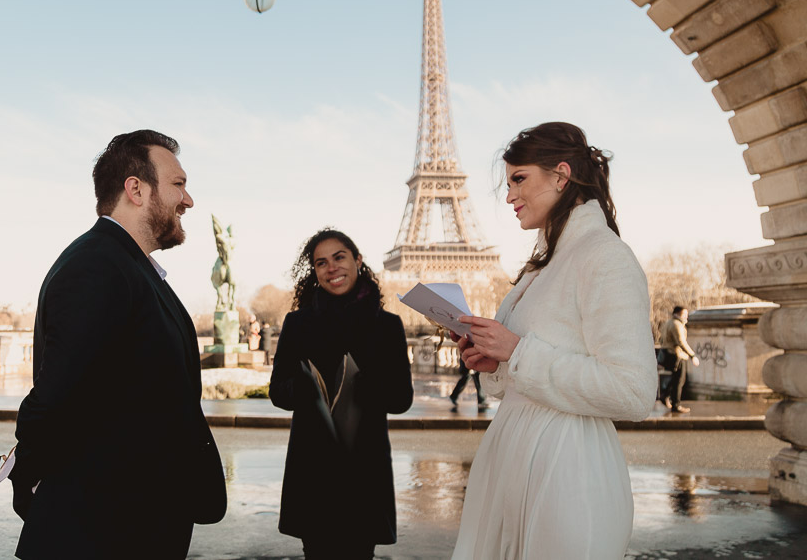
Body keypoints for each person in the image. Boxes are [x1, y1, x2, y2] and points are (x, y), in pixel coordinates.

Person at [9, 130, 226, 559]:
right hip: (104, 529)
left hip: (124, 521)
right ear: (136, 189)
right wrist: (31, 480)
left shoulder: (123, 265)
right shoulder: (99, 267)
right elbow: (53, 398)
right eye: (179, 184)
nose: (189, 200)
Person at [451, 122, 658, 560]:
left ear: (561, 175)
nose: (509, 196)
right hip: (517, 456)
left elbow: (635, 392)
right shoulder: (542, 266)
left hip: (568, 469)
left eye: (519, 179)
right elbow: (532, 366)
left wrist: (517, 351)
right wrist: (496, 361)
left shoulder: (604, 256)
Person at [269, 229, 414, 559]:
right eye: (321, 263)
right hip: (314, 469)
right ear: (315, 273)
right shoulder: (297, 324)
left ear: (358, 260)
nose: (331, 267)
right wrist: (304, 389)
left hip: (364, 468)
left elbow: (401, 400)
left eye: (339, 257)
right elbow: (277, 392)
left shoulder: (387, 326)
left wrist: (367, 385)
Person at [661, 306, 699, 413]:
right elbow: (681, 342)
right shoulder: (676, 325)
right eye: (684, 314)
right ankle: (676, 404)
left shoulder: (668, 323)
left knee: (675, 378)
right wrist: (692, 355)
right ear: (677, 314)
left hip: (669, 353)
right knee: (679, 380)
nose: (686, 317)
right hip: (677, 355)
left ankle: (665, 395)